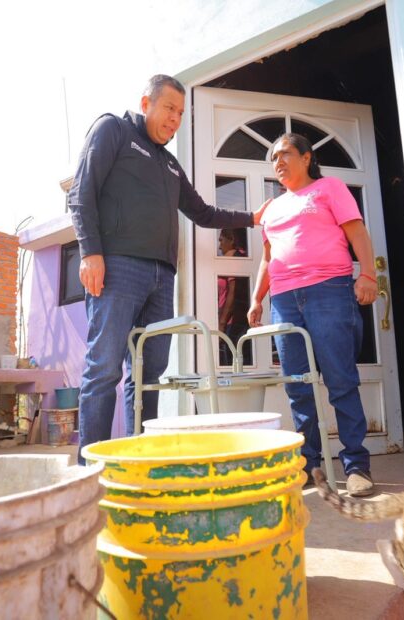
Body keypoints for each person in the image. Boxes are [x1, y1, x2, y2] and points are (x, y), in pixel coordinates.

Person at [67, 75, 267, 463]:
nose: (175, 119)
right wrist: (90, 253)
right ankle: (89, 468)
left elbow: (203, 212)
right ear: (146, 103)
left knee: (150, 373)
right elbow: (81, 192)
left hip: (161, 278)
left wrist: (251, 218)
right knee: (104, 368)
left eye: (180, 113)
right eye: (169, 109)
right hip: (117, 267)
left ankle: (140, 459)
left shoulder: (170, 164)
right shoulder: (114, 130)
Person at [247, 133, 378, 497]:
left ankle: (357, 466)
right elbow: (268, 259)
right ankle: (310, 466)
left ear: (306, 158)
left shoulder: (329, 188)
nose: (278, 162)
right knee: (298, 386)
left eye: (285, 154)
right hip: (284, 300)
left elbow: (358, 233)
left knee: (340, 379)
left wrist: (368, 275)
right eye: (273, 158)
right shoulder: (272, 208)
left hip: (329, 291)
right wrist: (257, 299)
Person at [217, 229, 250, 365]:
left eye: (221, 240)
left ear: (231, 240)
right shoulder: (242, 256)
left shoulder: (233, 257)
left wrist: (222, 324)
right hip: (239, 321)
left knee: (232, 364)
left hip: (232, 323)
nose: (219, 246)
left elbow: (233, 292)